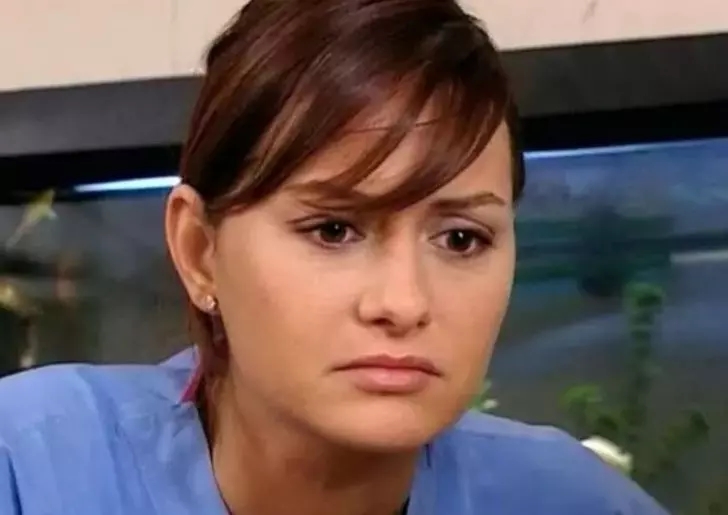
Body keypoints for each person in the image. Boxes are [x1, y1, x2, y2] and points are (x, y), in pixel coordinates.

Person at [0, 0, 669, 514]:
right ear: (200, 250)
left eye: (461, 238)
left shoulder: (571, 501)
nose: (403, 303)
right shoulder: (32, 469)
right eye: (332, 230)